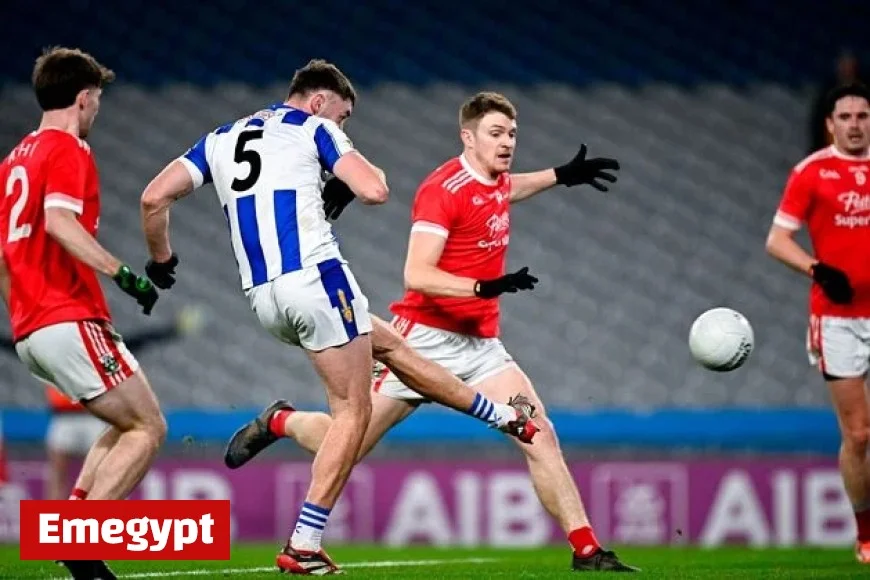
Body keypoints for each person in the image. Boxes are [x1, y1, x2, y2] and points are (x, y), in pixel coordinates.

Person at [138, 59, 537, 576]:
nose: (342, 127)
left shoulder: (220, 137)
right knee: (354, 412)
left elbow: (153, 197)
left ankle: (502, 417)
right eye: (344, 117)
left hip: (263, 296)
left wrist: (162, 259)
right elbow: (374, 189)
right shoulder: (315, 126)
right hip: (316, 278)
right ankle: (304, 543)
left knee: (393, 347)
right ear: (320, 101)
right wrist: (347, 176)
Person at [231, 91, 638, 572]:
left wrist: (560, 176)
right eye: (495, 133)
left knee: (538, 432)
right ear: (467, 137)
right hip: (419, 340)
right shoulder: (442, 190)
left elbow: (507, 189)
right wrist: (484, 285)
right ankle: (282, 420)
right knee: (344, 442)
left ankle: (588, 550)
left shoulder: (495, 181)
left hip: (482, 347)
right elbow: (417, 275)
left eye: (512, 134)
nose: (507, 142)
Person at [0, 46, 167, 580]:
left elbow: (3, 253)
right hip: (65, 314)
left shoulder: (12, 163)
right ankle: (82, 537)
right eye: (97, 101)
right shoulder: (67, 148)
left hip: (32, 325)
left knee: (121, 426)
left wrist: (23, 315)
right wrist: (123, 275)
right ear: (84, 97)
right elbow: (59, 224)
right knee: (148, 426)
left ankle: (72, 527)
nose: (96, 112)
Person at [767, 81, 870, 564]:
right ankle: (866, 532)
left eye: (862, 117)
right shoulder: (811, 173)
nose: (854, 125)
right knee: (859, 434)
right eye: (845, 117)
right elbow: (777, 240)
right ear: (830, 124)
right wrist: (817, 269)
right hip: (838, 320)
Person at [0, 306, 204, 501]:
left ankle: (94, 520)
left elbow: (141, 339)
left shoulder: (96, 345)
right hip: (66, 419)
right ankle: (57, 526)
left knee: (105, 474)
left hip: (94, 419)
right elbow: (13, 345)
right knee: (60, 476)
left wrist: (172, 329)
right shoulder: (50, 347)